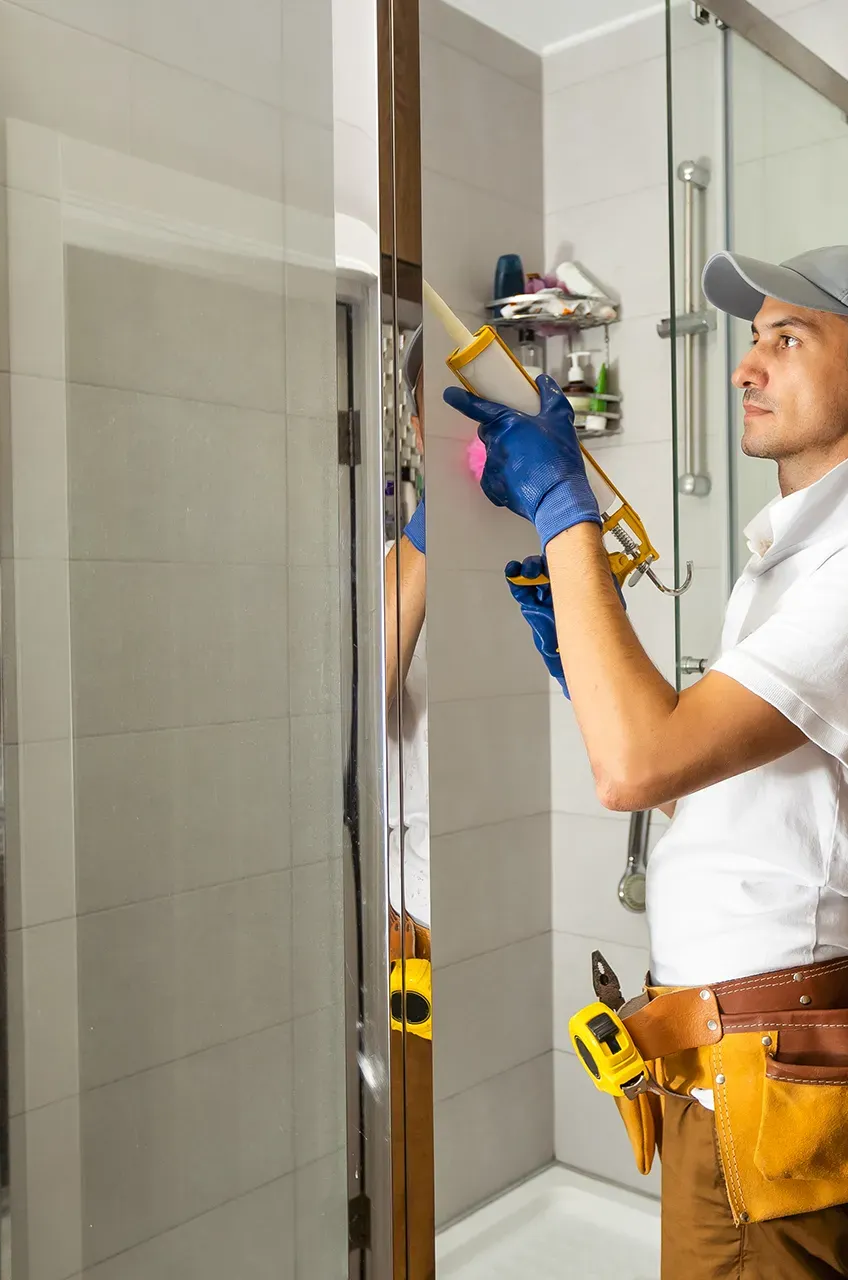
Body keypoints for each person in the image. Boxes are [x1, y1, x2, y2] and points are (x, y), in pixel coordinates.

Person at [447, 246, 848, 1279]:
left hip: (773, 1063)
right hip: (729, 1061)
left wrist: (567, 515)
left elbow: (638, 768)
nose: (745, 365)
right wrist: (583, 665)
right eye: (750, 339)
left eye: (788, 338)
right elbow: (703, 790)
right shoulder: (791, 559)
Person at [383, 325, 434, 1280]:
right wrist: (436, 537)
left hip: (509, 910)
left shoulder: (549, 550)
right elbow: (355, 706)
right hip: (415, 924)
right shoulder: (392, 559)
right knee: (421, 1153)